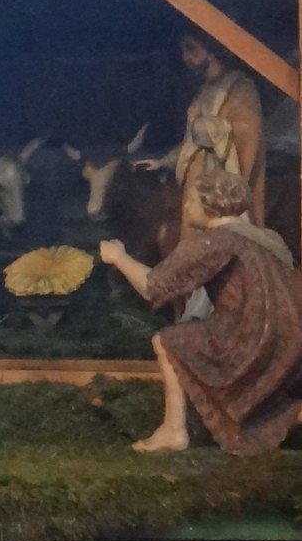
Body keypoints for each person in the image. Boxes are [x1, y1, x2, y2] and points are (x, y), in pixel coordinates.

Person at [100, 167, 302, 455]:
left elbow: (153, 286)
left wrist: (118, 257)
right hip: (291, 341)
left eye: (191, 200)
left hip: (251, 340)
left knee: (168, 341)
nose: (186, 207)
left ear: (209, 203)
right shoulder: (269, 239)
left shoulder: (213, 241)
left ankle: (173, 430)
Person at [136, 34, 266, 232]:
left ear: (213, 50)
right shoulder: (204, 91)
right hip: (197, 195)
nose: (185, 57)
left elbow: (246, 145)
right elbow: (193, 143)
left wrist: (225, 200)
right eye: (183, 51)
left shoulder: (240, 90)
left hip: (219, 202)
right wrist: (165, 161)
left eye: (192, 49)